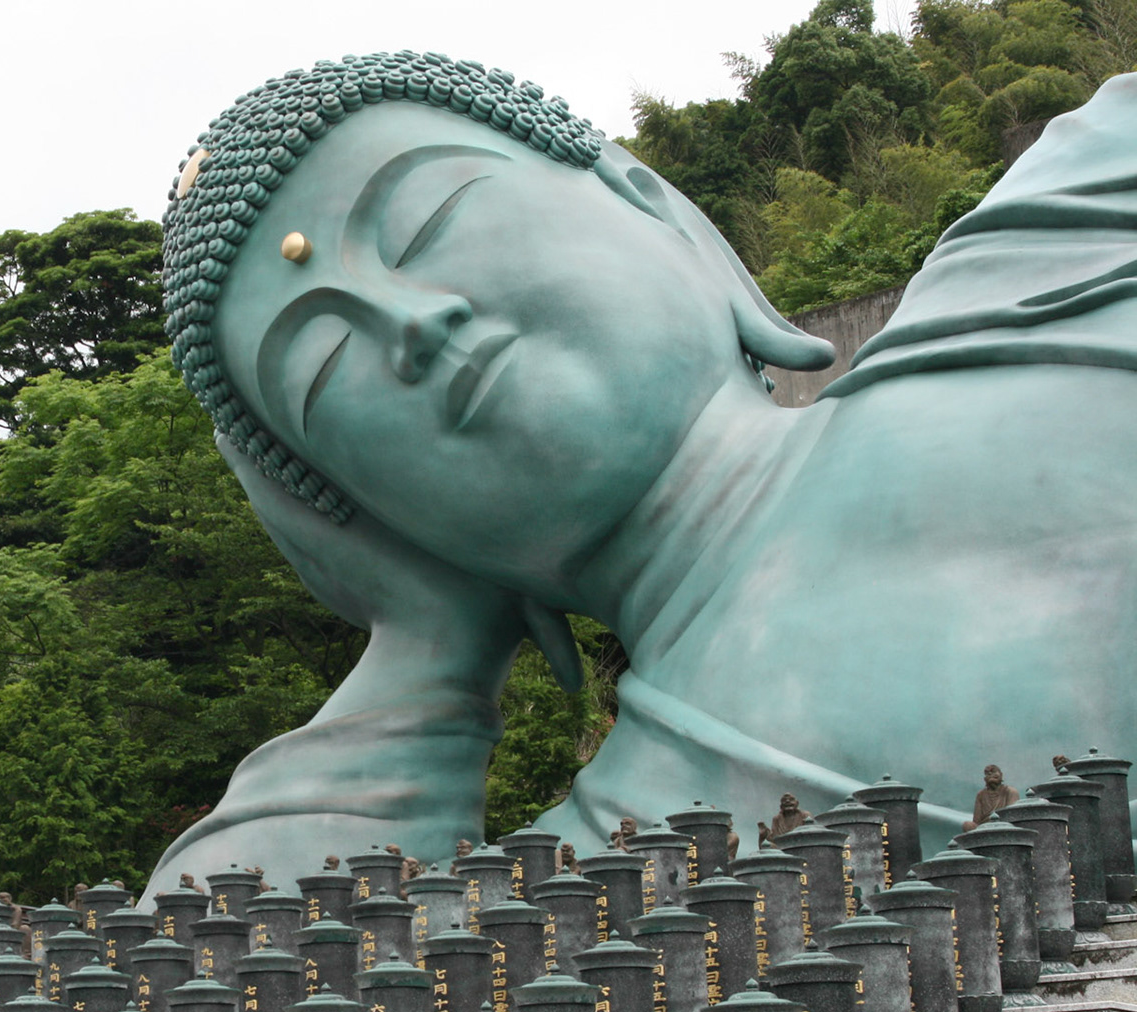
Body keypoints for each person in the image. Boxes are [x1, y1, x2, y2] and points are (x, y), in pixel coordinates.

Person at [144, 51, 1137, 899]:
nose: (409, 324)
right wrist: (424, 654)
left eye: (427, 219)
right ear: (366, 524)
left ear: (648, 199)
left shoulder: (1082, 230)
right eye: (323, 370)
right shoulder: (626, 861)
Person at [964, 765, 1020, 831]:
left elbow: (1012, 817)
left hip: (1003, 827)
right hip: (984, 829)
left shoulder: (1010, 791)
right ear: (985, 779)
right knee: (967, 825)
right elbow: (976, 822)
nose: (990, 774)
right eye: (987, 773)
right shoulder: (980, 795)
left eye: (993, 771)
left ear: (1001, 775)